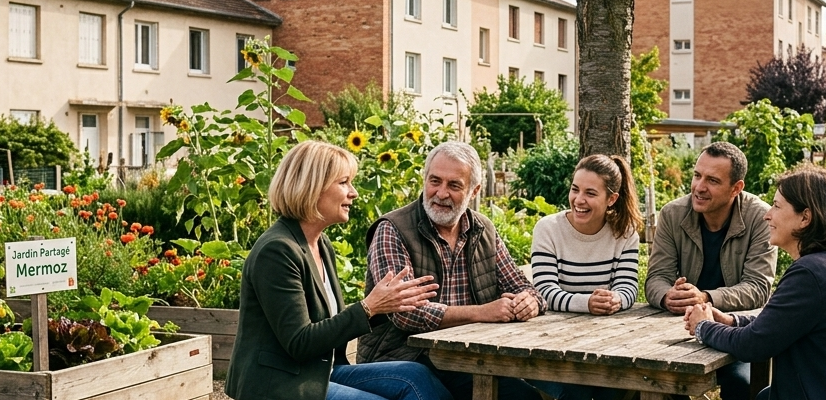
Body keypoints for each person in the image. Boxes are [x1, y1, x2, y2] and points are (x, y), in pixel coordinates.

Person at [225, 141, 452, 400]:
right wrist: (369, 307)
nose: (353, 192)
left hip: (321, 371)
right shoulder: (277, 251)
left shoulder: (320, 243)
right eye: (344, 182)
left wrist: (390, 304)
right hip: (281, 383)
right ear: (312, 187)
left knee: (416, 376)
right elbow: (300, 343)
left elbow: (326, 322)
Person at [684, 164, 826, 400]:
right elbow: (779, 324)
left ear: (805, 217)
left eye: (777, 206)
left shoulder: (812, 273)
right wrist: (731, 320)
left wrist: (703, 327)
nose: (767, 214)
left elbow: (753, 345)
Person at [356, 141, 546, 400]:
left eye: (454, 185)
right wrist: (483, 313)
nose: (441, 193)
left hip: (466, 358)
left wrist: (529, 302)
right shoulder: (393, 229)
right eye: (435, 181)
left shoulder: (482, 229)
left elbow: (521, 286)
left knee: (525, 397)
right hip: (403, 358)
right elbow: (405, 314)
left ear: (474, 190)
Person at [644, 141, 776, 400]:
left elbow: (758, 288)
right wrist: (666, 296)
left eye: (712, 180)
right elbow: (656, 278)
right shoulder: (673, 214)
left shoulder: (760, 217)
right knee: (653, 380)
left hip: (735, 329)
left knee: (740, 384)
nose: (699, 187)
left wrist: (705, 297)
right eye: (696, 176)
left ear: (736, 188)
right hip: (677, 331)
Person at [524, 154, 642, 400]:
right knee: (577, 392)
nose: (579, 200)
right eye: (575, 189)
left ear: (611, 199)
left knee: (617, 389)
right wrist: (586, 303)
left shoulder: (625, 233)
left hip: (608, 345)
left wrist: (616, 299)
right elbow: (544, 291)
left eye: (590, 193)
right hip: (553, 345)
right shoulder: (549, 229)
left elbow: (629, 287)